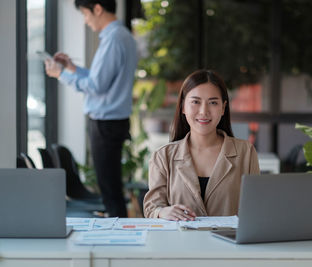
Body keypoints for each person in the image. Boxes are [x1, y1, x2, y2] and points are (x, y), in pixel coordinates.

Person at [45, 0, 137, 218]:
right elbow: (100, 80)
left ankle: (118, 241)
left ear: (98, 9)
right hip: (113, 121)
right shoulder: (121, 36)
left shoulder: (113, 39)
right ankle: (120, 237)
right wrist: (72, 68)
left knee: (110, 191)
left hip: (106, 122)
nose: (85, 21)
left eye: (86, 14)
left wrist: (61, 75)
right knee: (111, 187)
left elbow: (96, 86)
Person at [143, 70, 260, 220]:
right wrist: (162, 212)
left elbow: (256, 207)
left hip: (228, 242)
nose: (204, 111)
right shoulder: (163, 156)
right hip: (179, 243)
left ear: (223, 108)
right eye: (195, 102)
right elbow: (152, 207)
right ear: (183, 107)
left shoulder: (246, 152)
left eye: (213, 103)